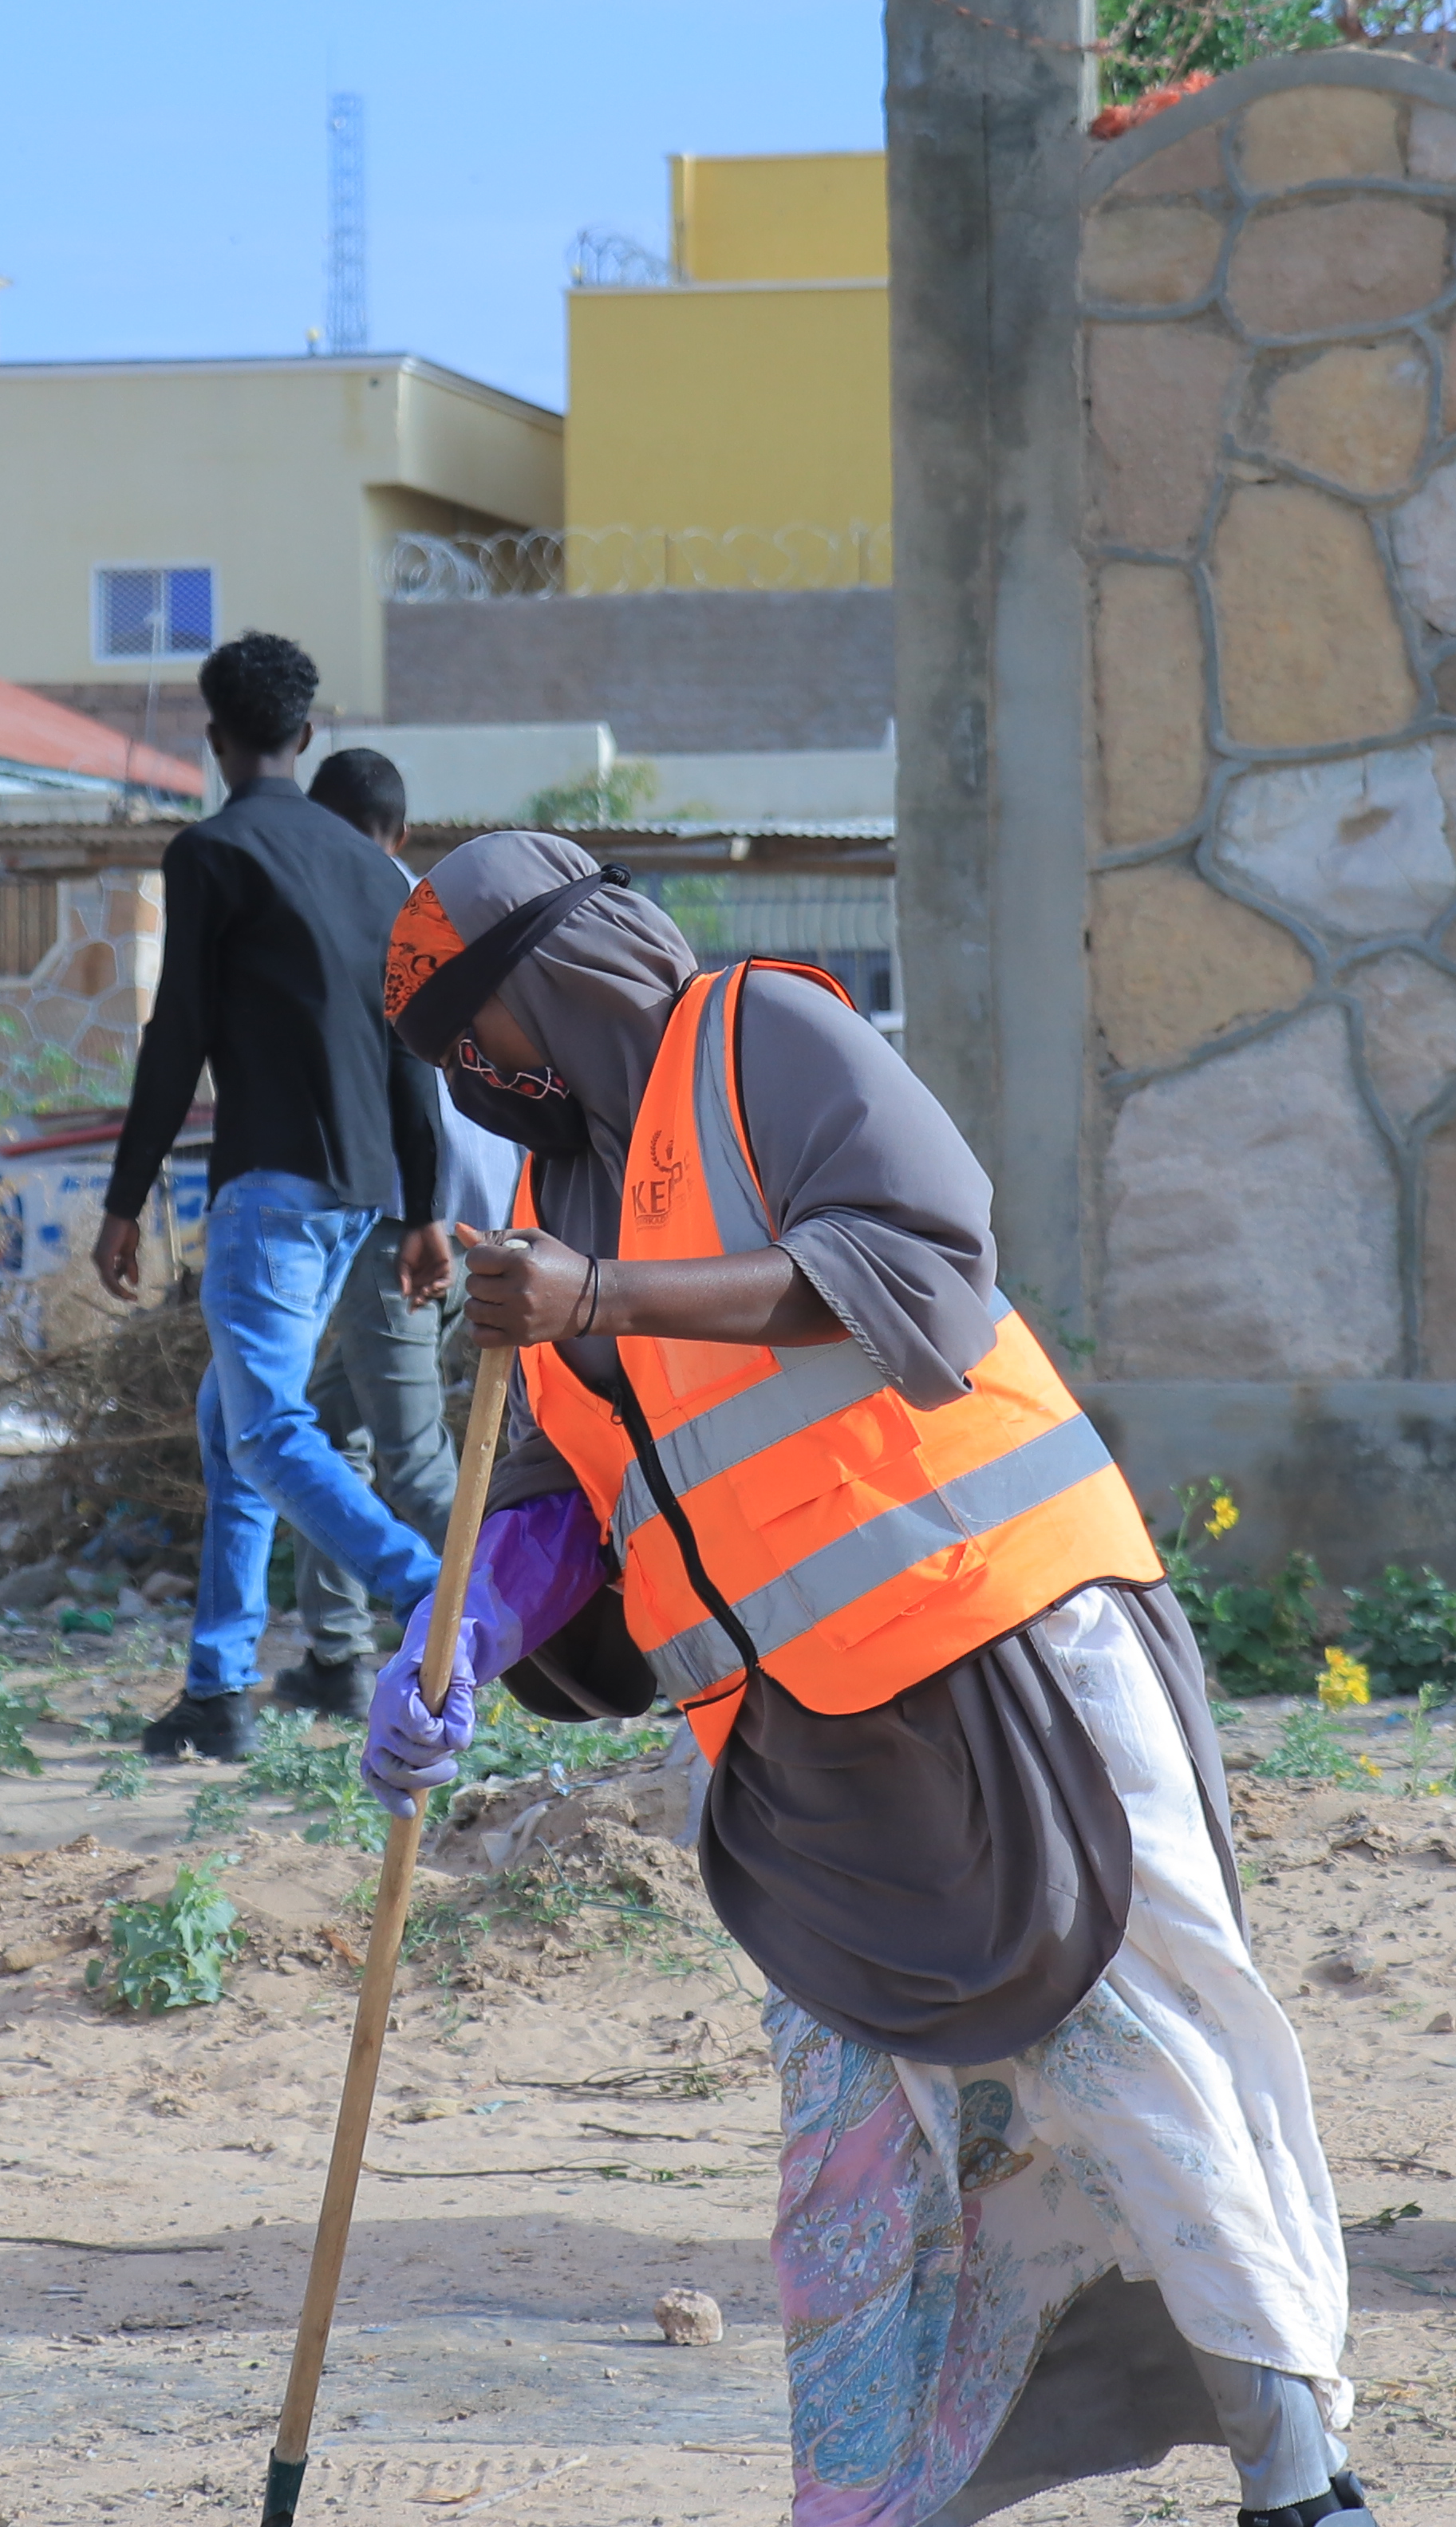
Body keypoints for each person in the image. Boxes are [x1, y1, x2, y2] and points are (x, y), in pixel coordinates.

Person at [360, 832, 1375, 2527]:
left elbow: (922, 1265)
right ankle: (873, 2495)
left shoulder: (764, 1039)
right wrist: (451, 1640)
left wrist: (602, 1292)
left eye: (483, 1025)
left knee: (1135, 2059)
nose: (477, 1075)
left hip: (1007, 1663)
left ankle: (1300, 2478)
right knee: (858, 2141)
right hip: (794, 1752)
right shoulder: (546, 1214)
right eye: (449, 1057)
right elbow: (563, 1509)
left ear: (565, 971)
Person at [93, 634, 448, 1764]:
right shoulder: (369, 869)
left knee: (271, 1431)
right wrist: (428, 1203)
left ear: (215, 740)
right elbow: (410, 1050)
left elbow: (178, 1037)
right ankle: (218, 1685)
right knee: (230, 1426)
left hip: (275, 1189)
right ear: (306, 736)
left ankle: (431, 1593)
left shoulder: (211, 855)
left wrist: (125, 1196)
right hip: (360, 1191)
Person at [280, 745, 474, 1719]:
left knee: (412, 1457)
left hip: (405, 1221)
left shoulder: (352, 912)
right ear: (401, 830)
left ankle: (513, 1643)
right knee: (329, 1431)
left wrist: (419, 1219)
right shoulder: (439, 909)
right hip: (459, 1214)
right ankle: (335, 1655)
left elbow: (404, 1082)